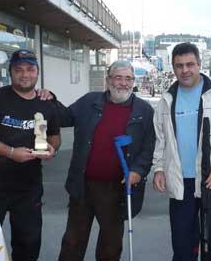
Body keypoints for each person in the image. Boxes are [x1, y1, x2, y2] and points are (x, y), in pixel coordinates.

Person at [152, 42, 211, 261]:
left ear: (199, 64)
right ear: (173, 67)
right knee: (183, 246)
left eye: (190, 64)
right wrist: (158, 168)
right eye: (179, 65)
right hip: (180, 184)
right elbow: (160, 140)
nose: (185, 70)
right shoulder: (167, 99)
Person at [53, 60, 155, 261]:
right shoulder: (89, 101)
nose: (123, 83)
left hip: (116, 189)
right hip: (83, 185)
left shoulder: (144, 110)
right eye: (118, 77)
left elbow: (149, 147)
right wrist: (49, 100)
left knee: (110, 246)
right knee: (73, 241)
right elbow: (63, 117)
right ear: (108, 80)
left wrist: (138, 171)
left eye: (128, 79)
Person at [0, 49, 61, 261]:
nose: (25, 74)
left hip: (29, 189)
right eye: (19, 70)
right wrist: (10, 153)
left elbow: (54, 137)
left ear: (38, 72)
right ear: (10, 72)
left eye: (30, 69)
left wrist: (50, 149)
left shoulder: (45, 103)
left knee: (28, 245)